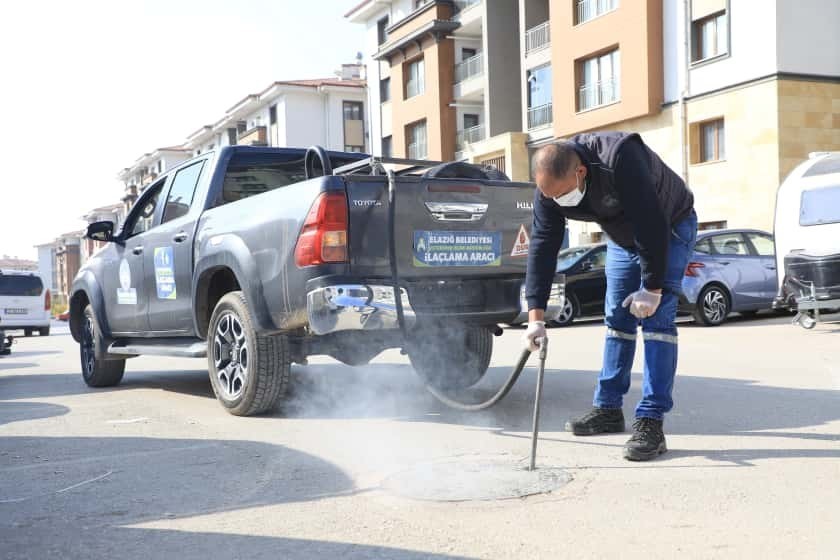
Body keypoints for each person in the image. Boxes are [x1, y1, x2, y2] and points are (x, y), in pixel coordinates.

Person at [523, 132, 697, 461]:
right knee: (617, 318)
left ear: (580, 172)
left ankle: (650, 420)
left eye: (562, 195)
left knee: (657, 321)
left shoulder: (621, 157)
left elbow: (650, 221)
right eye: (550, 196)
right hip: (621, 236)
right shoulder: (550, 188)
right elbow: (543, 246)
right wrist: (536, 318)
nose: (557, 201)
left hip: (669, 226)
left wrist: (652, 289)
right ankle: (608, 409)